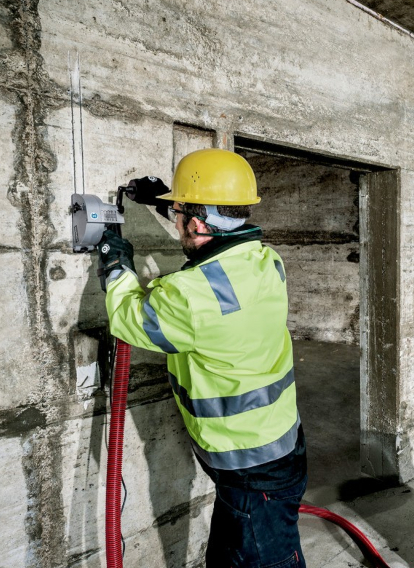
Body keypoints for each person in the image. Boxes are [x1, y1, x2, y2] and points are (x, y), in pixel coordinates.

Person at [98, 148, 307, 567]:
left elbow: (128, 318)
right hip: (281, 442)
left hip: (248, 468)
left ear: (194, 223)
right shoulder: (267, 262)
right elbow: (213, 239)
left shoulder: (189, 296)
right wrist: (169, 204)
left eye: (179, 216)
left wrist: (115, 263)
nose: (177, 222)